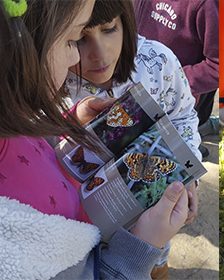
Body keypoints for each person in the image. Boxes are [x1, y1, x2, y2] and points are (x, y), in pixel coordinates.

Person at [0, 0, 189, 279]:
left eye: (110, 29)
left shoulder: (11, 119)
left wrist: (70, 125)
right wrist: (140, 249)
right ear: (20, 45)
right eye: (73, 39)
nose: (79, 56)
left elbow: (35, 147)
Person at [64, 0, 200, 278]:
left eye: (110, 29)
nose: (100, 53)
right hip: (82, 231)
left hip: (151, 221)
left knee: (156, 268)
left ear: (126, 19)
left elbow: (183, 116)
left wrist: (189, 177)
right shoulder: (52, 81)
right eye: (80, 38)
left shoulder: (158, 63)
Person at [134, 0, 219, 147]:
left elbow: (218, 67)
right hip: (129, 90)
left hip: (169, 105)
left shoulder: (206, 5)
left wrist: (172, 81)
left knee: (164, 159)